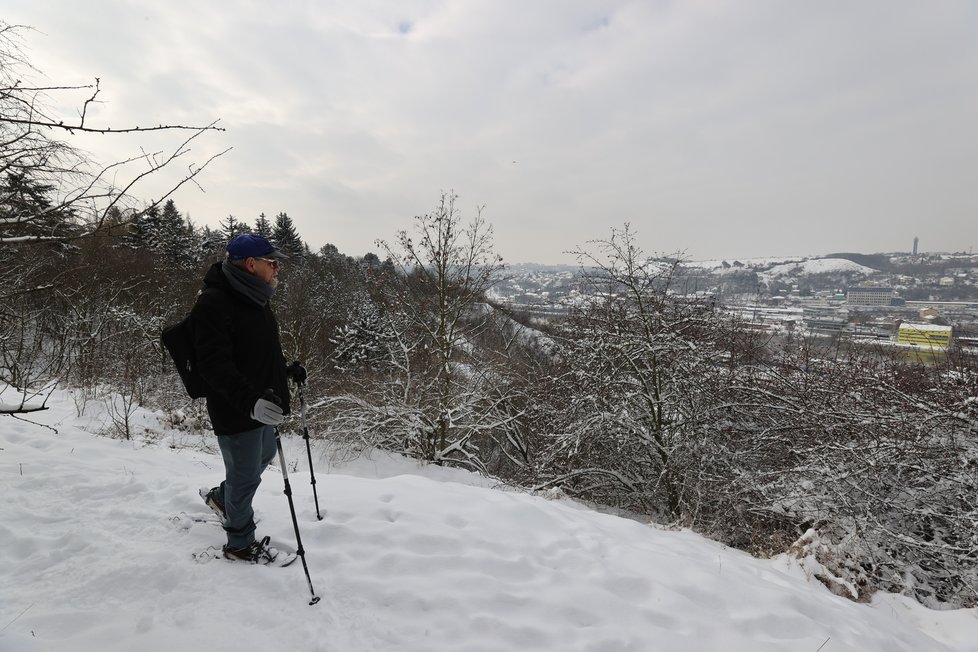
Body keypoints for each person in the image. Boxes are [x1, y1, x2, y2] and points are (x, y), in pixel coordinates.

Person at [191, 233, 298, 563]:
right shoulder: (214, 303)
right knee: (244, 475)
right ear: (251, 264)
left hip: (261, 407)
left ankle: (224, 499)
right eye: (272, 262)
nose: (277, 268)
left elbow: (259, 352)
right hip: (237, 409)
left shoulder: (255, 297)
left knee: (261, 456)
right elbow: (212, 364)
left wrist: (286, 371)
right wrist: (249, 401)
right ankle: (239, 544)